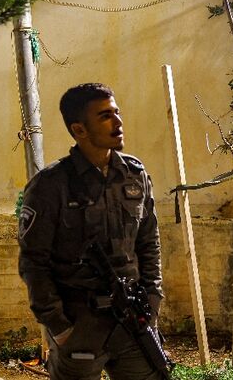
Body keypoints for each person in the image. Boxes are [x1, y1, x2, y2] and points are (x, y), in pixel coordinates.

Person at [18, 83, 164, 380]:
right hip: (79, 324)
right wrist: (59, 327)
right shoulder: (50, 185)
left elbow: (148, 242)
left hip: (132, 322)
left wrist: (153, 299)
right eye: (105, 116)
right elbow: (33, 261)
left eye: (117, 112)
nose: (118, 122)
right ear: (79, 129)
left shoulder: (134, 175)